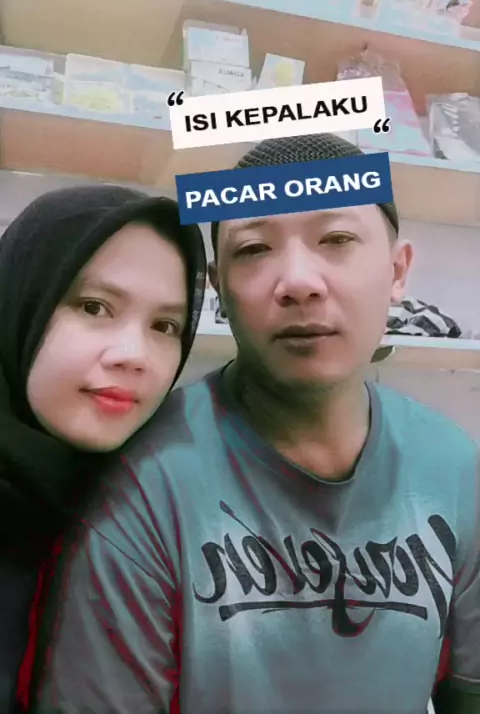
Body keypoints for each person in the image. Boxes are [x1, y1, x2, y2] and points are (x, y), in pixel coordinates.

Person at [30, 135, 480, 714]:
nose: (298, 282)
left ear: (398, 270)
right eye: (254, 249)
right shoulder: (145, 480)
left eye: (336, 239)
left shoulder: (456, 470)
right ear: (218, 288)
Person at [0, 183, 206, 714]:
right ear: (21, 301)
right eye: (94, 307)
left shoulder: (148, 514)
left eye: (165, 325)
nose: (134, 355)